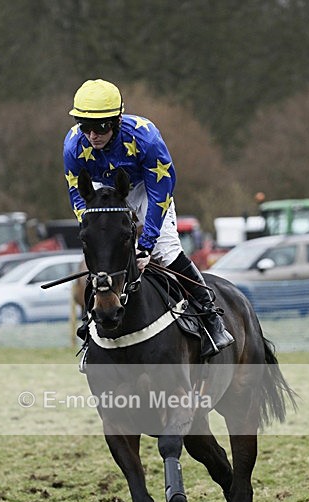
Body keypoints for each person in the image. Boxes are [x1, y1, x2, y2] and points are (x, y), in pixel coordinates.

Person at [63, 78, 233, 356]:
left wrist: (147, 244)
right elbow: (76, 192)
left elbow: (161, 191)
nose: (93, 135)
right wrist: (91, 227)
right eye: (85, 126)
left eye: (102, 126)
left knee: (167, 250)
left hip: (145, 188)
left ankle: (210, 316)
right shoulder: (72, 145)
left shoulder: (146, 138)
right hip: (100, 191)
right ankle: (89, 325)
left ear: (117, 120)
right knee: (99, 255)